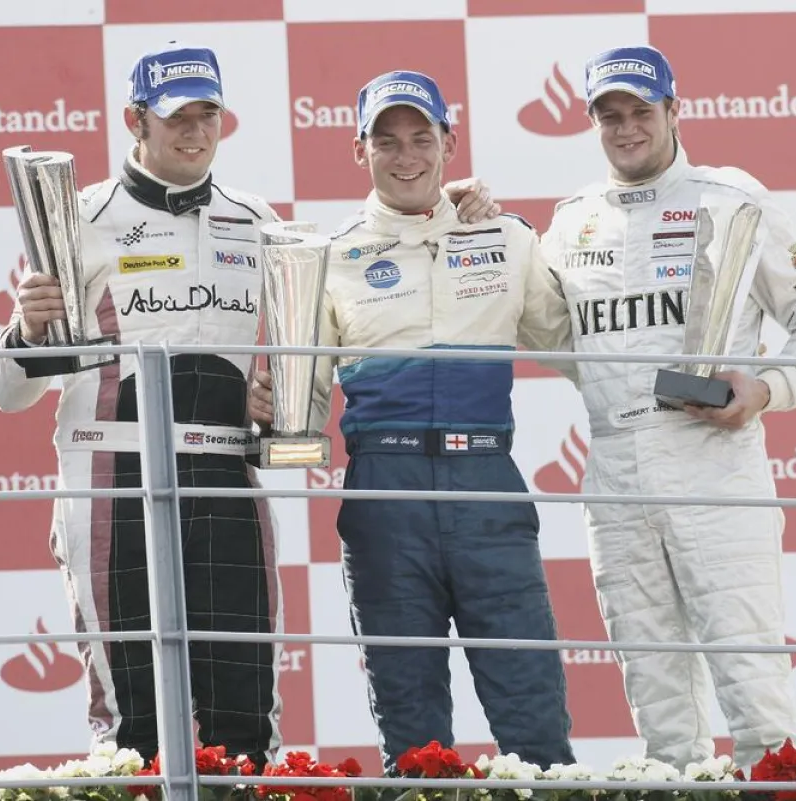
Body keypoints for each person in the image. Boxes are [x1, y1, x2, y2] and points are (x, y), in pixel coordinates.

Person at [0, 42, 499, 766]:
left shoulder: (256, 219)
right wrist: (28, 329)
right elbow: (10, 394)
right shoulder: (79, 218)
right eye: (176, 118)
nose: (195, 132)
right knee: (133, 714)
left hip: (227, 476)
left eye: (208, 114)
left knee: (245, 708)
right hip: (112, 477)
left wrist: (451, 210)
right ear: (135, 119)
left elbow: (347, 285)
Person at [539, 46, 796, 773]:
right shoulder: (571, 221)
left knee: (756, 700)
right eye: (609, 116)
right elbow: (560, 341)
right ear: (593, 123)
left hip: (715, 468)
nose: (626, 128)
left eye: (641, 112)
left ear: (675, 111)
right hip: (615, 474)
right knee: (661, 717)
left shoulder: (732, 198)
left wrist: (766, 389)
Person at [249, 70, 577, 774]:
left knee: (536, 719)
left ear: (448, 143)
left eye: (420, 137)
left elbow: (582, 347)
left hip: (486, 479)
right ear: (358, 151)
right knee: (413, 734)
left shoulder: (508, 236)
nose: (406, 155)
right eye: (386, 140)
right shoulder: (327, 259)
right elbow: (295, 425)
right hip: (384, 493)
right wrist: (267, 418)